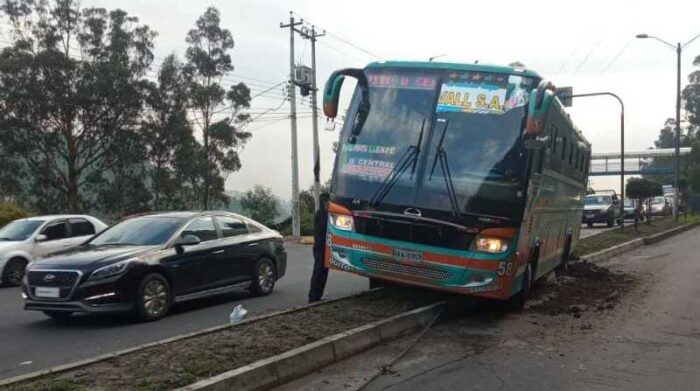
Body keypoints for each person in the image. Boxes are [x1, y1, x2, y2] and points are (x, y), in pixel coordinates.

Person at [308, 192, 331, 303]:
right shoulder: (321, 215)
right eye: (327, 202)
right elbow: (321, 230)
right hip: (319, 248)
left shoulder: (327, 214)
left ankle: (319, 294)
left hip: (325, 248)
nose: (328, 204)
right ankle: (313, 296)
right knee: (318, 271)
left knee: (324, 272)